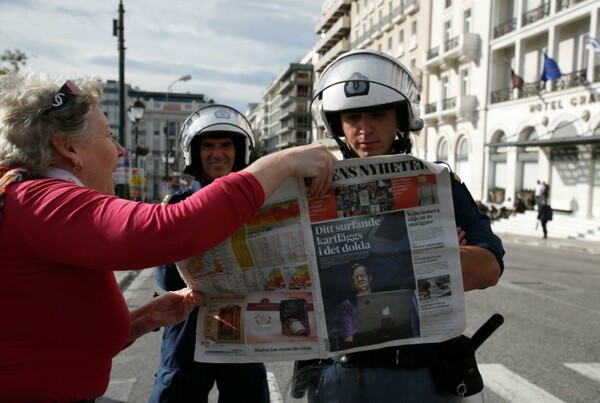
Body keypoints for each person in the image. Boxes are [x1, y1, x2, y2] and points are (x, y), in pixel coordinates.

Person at [0, 72, 335, 402]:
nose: (121, 151)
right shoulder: (41, 201)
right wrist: (284, 162)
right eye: (108, 135)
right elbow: (172, 228)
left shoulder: (30, 197)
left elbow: (52, 336)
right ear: (68, 147)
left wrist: (141, 321)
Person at [300, 50, 504, 402]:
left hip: (422, 377)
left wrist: (381, 260)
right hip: (338, 377)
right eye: (352, 116)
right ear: (337, 124)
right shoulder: (312, 186)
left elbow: (487, 268)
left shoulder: (438, 182)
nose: (365, 129)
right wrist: (439, 252)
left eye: (379, 114)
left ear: (400, 117)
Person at [149, 105, 269, 402]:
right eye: (209, 146)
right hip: (189, 324)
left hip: (243, 323)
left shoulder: (262, 204)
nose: (218, 154)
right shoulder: (177, 204)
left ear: (239, 151)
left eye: (226, 145)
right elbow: (167, 279)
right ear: (195, 152)